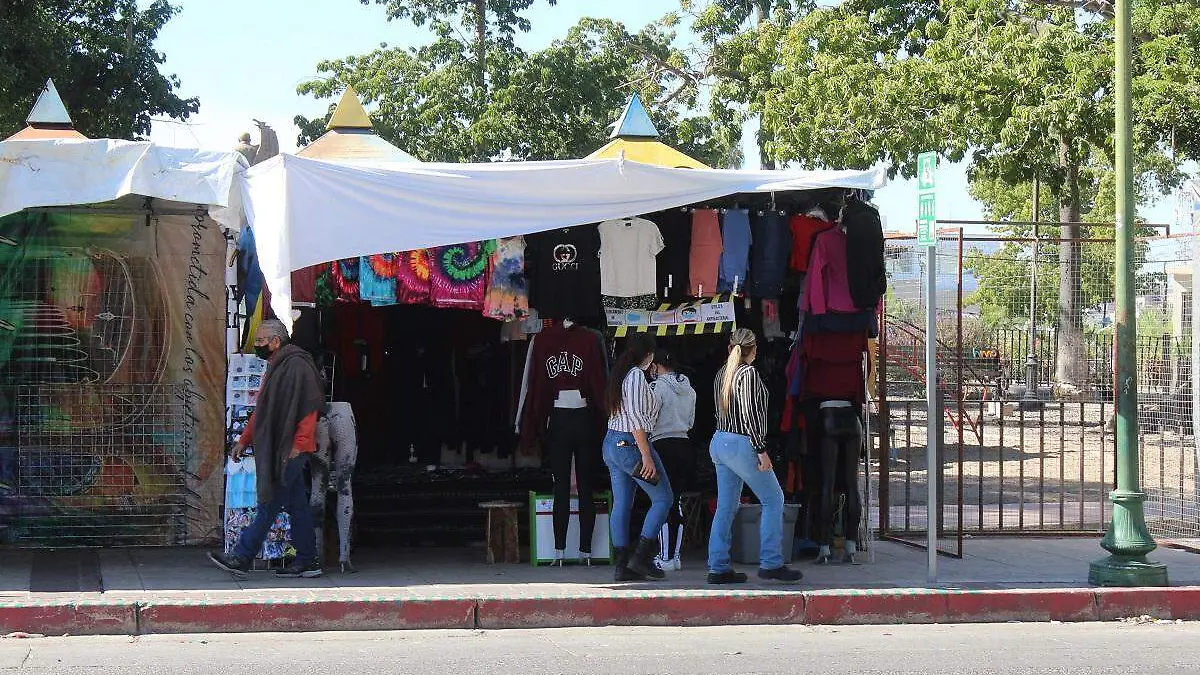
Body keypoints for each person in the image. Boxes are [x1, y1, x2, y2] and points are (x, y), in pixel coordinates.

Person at [209, 319, 326, 579]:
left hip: (293, 449)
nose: (258, 345)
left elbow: (309, 408)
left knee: (270, 502)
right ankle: (308, 560)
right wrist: (244, 440)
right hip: (283, 448)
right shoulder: (276, 367)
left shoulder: (297, 366)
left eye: (261, 341)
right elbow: (262, 411)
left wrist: (299, 445)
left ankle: (241, 556)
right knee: (296, 505)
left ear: (276, 341)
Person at [707, 328, 802, 584]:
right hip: (742, 443)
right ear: (754, 350)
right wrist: (761, 450)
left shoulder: (721, 375)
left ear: (730, 348)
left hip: (720, 441)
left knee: (726, 507)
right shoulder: (748, 374)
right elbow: (750, 414)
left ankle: (718, 566)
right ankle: (771, 562)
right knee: (774, 499)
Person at [603, 334, 673, 581]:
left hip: (612, 443)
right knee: (663, 498)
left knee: (622, 503)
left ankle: (622, 565)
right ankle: (641, 557)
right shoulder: (634, 376)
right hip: (631, 444)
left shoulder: (620, 374)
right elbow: (635, 420)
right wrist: (647, 456)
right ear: (649, 355)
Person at [648, 349, 696, 571]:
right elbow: (691, 421)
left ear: (657, 366)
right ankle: (674, 556)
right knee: (675, 500)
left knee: (661, 501)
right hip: (684, 443)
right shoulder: (689, 389)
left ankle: (665, 556)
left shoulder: (656, 387)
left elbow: (650, 417)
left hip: (662, 445)